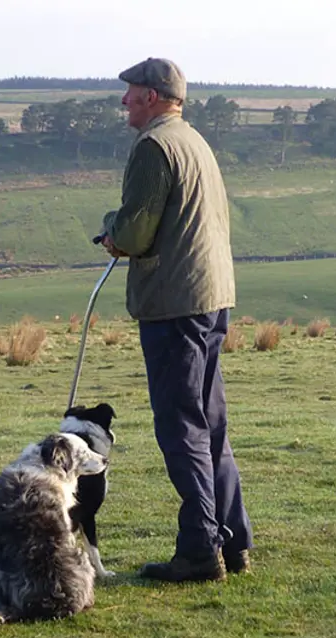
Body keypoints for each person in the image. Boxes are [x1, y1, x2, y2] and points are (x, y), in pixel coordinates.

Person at [99, 57, 253, 582]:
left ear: (153, 96)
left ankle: (199, 551)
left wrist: (111, 234)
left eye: (131, 92)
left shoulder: (153, 147)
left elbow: (137, 233)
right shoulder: (194, 141)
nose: (124, 101)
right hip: (212, 298)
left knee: (181, 427)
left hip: (174, 303)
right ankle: (233, 541)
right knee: (210, 425)